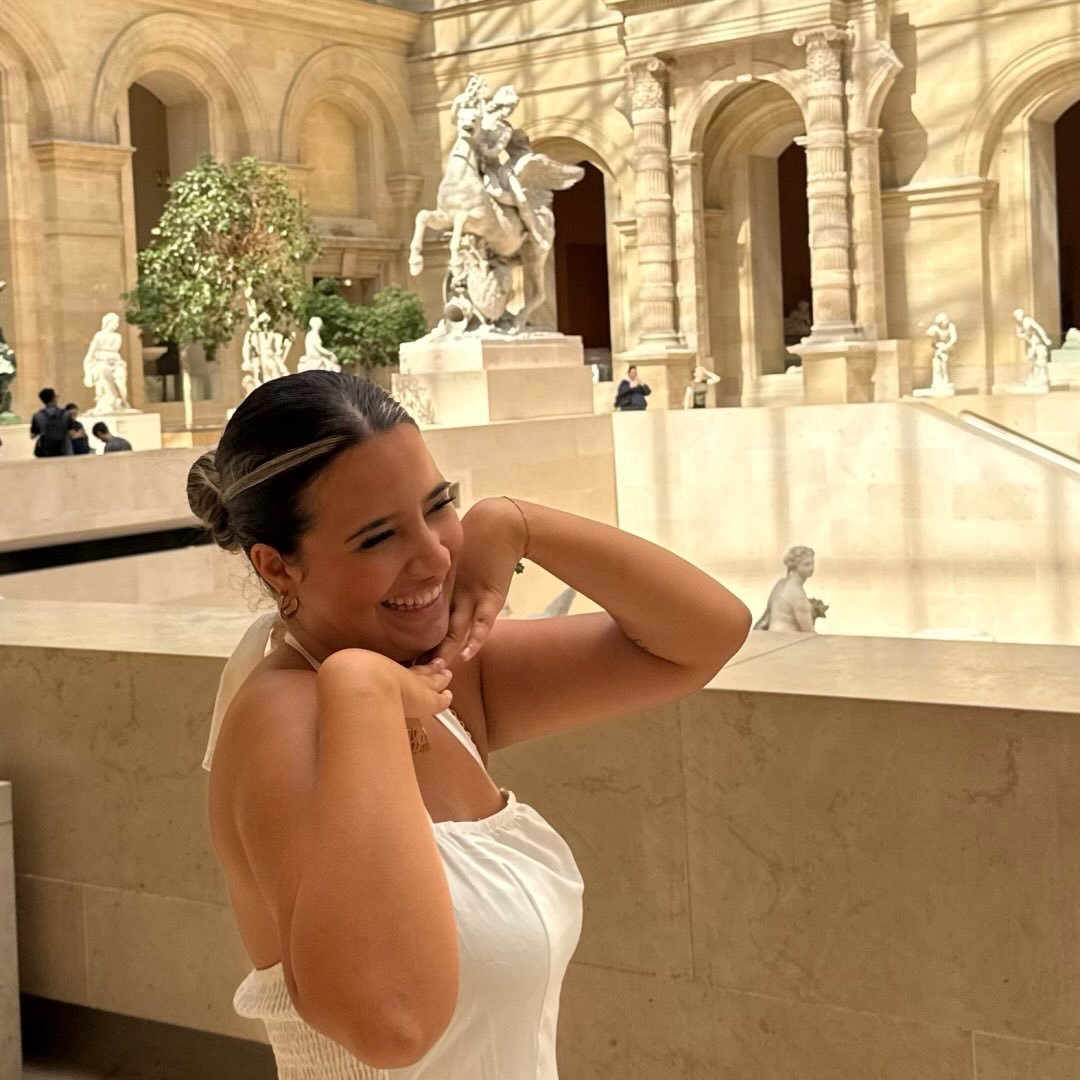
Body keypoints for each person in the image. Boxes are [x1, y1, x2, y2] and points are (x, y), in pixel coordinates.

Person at [189, 370, 750, 1078]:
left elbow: (703, 638)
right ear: (277, 569)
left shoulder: (437, 677)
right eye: (377, 537)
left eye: (438, 505)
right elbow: (391, 1025)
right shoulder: (282, 720)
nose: (434, 555)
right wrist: (361, 688)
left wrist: (517, 523)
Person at [29, 387, 78, 458]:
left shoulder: (37, 416)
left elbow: (32, 436)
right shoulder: (66, 414)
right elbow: (72, 434)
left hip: (45, 452)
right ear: (54, 398)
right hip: (64, 450)